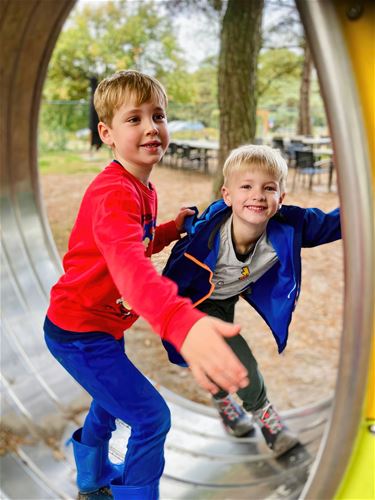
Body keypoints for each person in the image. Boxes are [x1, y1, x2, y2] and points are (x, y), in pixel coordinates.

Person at [43, 70, 249, 500]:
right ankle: (135, 493)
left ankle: (91, 480)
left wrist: (171, 229)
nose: (151, 127)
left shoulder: (141, 187)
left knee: (109, 403)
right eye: (133, 119)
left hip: (100, 327)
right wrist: (181, 322)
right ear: (107, 134)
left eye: (158, 115)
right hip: (78, 332)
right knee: (151, 418)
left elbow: (131, 243)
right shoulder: (114, 193)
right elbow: (128, 268)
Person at [162, 144, 341, 456]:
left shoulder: (290, 225)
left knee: (218, 361)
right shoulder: (208, 238)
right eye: (246, 186)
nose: (257, 195)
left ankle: (223, 402)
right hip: (194, 303)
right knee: (237, 362)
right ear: (227, 195)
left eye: (268, 188)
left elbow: (333, 223)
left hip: (226, 298)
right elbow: (171, 277)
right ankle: (267, 419)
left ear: (280, 198)